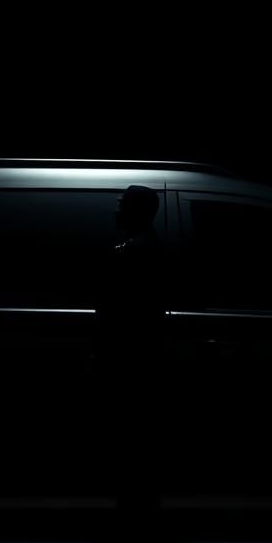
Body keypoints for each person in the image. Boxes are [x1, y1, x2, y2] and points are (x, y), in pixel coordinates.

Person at [92, 185, 165, 525]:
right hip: (144, 361)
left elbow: (113, 312)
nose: (115, 211)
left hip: (131, 361)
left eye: (122, 205)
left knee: (132, 440)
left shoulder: (131, 254)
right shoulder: (148, 250)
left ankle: (133, 513)